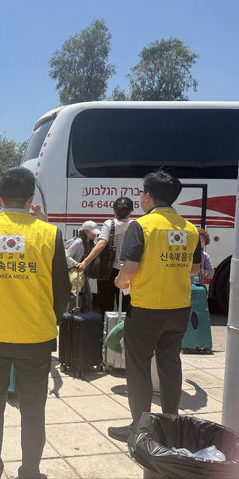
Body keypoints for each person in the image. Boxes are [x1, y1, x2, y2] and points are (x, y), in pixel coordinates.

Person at [0, 167, 70, 479]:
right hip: (35, 336)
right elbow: (62, 290)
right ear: (31, 199)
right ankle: (30, 471)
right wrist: (49, 319)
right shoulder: (49, 234)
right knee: (33, 409)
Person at [107, 170, 201, 443]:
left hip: (146, 309)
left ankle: (140, 428)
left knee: (138, 368)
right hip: (178, 308)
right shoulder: (190, 228)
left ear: (148, 197)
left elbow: (129, 270)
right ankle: (170, 425)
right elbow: (194, 269)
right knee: (170, 364)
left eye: (141, 194)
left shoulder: (142, 226)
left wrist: (120, 281)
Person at [76, 197, 134, 314]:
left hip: (108, 271)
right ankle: (125, 325)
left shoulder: (109, 224)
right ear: (131, 211)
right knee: (126, 305)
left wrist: (85, 262)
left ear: (114, 210)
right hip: (128, 271)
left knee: (106, 304)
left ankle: (106, 325)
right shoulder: (135, 224)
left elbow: (101, 244)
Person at [65, 221, 98, 310]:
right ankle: (67, 315)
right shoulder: (78, 242)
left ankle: (86, 315)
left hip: (83, 275)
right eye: (93, 232)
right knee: (73, 296)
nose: (95, 234)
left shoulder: (92, 243)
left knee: (88, 297)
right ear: (86, 231)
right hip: (73, 274)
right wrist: (76, 264)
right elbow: (67, 256)